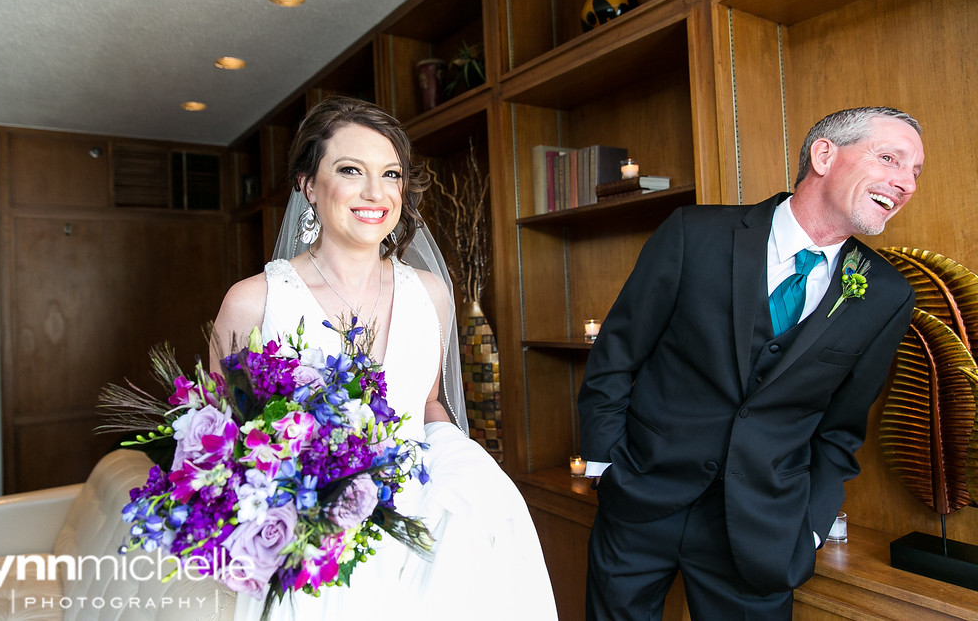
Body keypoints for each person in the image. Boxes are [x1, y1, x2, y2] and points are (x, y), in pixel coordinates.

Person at [212, 96, 557, 620]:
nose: (376, 193)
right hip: (318, 549)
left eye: (390, 173)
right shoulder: (253, 301)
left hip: (431, 533)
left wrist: (465, 468)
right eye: (351, 170)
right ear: (307, 183)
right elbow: (218, 438)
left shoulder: (433, 294)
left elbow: (429, 404)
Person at [578, 106, 924, 619]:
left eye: (915, 172)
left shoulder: (886, 294)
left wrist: (807, 525)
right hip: (639, 501)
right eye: (890, 158)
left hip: (762, 531)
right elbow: (616, 357)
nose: (905, 183)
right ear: (824, 155)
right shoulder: (694, 233)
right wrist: (607, 466)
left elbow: (841, 429)